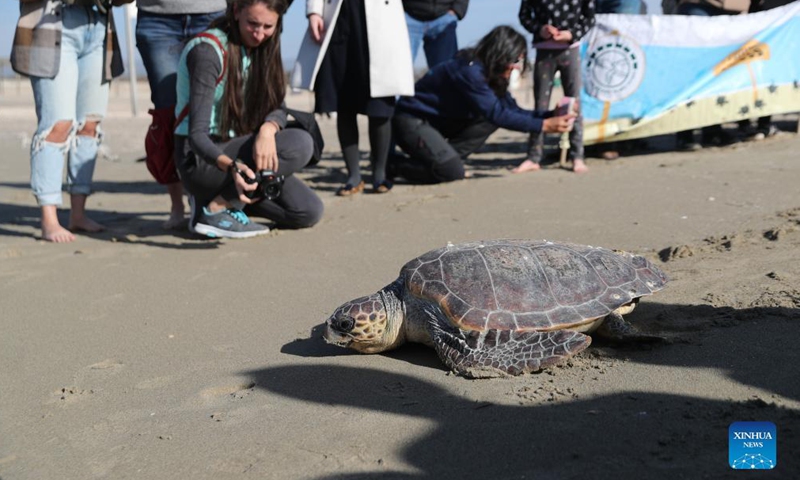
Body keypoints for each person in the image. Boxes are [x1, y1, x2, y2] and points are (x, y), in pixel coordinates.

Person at [174, 0, 323, 238]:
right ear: (236, 12)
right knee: (300, 143)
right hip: (203, 160)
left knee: (308, 211)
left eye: (268, 26)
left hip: (241, 152)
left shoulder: (265, 47)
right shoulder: (208, 52)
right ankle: (216, 209)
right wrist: (232, 166)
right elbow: (196, 136)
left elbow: (278, 107)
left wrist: (268, 129)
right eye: (252, 23)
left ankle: (225, 202)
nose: (260, 33)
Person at [389, 26, 576, 185]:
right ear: (501, 53)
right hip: (411, 122)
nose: (517, 66)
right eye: (515, 60)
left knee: (487, 121)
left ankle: (447, 160)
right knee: (451, 172)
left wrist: (550, 115)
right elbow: (497, 114)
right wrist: (544, 126)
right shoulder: (469, 70)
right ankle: (393, 165)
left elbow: (511, 110)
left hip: (441, 123)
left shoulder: (493, 74)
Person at [10, 0, 132, 243]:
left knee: (90, 125)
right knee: (58, 124)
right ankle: (49, 219)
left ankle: (78, 214)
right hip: (52, 24)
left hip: (99, 26)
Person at [293, 0, 415, 195]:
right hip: (340, 16)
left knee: (380, 106)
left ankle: (380, 174)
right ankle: (354, 176)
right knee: (344, 102)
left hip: (381, 16)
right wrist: (314, 12)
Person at [135, 0, 227, 229]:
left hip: (212, 12)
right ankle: (177, 205)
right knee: (168, 113)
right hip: (157, 17)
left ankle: (207, 201)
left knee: (211, 108)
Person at [514, 0, 596, 174]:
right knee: (540, 105)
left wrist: (572, 34)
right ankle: (533, 156)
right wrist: (539, 29)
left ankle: (577, 155)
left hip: (570, 49)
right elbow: (524, 16)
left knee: (574, 104)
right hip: (543, 51)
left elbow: (589, 18)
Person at [672, 0, 748, 150]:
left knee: (718, 71)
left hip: (731, 8)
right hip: (698, 5)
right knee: (692, 69)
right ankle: (685, 132)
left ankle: (712, 130)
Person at [402, 0, 469, 69]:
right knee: (399, 69)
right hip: (407, 15)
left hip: (444, 18)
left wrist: (458, 9)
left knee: (445, 72)